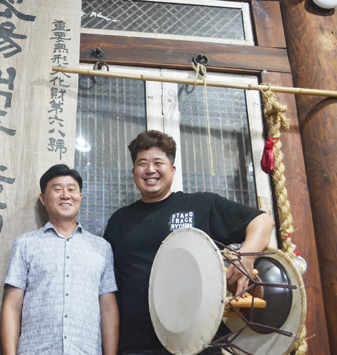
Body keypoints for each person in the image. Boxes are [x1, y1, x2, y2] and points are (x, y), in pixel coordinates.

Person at [103, 131, 275, 355]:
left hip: (198, 344)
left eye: (158, 162)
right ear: (134, 172)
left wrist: (246, 255)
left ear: (173, 170)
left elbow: (262, 221)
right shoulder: (119, 221)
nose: (150, 170)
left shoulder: (202, 205)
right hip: (136, 346)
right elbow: (108, 292)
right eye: (141, 163)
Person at [1, 164, 119, 355]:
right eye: (57, 189)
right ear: (43, 199)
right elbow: (12, 306)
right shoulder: (25, 244)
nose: (66, 195)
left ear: (80, 197)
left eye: (72, 189)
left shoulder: (101, 248)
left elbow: (108, 309)